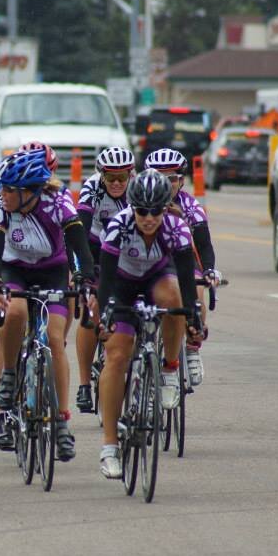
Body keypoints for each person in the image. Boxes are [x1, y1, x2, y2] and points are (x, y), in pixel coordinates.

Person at [0, 150, 96, 461]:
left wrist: (86, 278)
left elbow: (80, 247)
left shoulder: (59, 204)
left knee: (55, 338)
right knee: (16, 312)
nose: (2, 193)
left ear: (30, 191)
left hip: (52, 271)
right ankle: (9, 373)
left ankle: (61, 422)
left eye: (9, 189)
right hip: (13, 270)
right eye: (2, 187)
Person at [95, 170, 197, 479]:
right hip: (121, 283)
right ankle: (110, 446)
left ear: (165, 208)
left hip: (157, 277)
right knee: (116, 356)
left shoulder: (176, 229)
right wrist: (105, 315)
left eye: (155, 211)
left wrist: (192, 317)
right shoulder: (118, 227)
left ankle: (168, 368)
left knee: (174, 297)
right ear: (132, 207)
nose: (149, 218)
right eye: (142, 210)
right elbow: (106, 281)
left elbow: (187, 283)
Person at [144, 148, 222, 385]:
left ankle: (192, 346)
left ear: (182, 180)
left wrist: (209, 269)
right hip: (149, 261)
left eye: (172, 179)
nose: (167, 185)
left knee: (197, 292)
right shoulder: (138, 201)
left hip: (182, 259)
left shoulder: (190, 206)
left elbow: (204, 244)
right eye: (160, 178)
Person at [74, 146, 135, 414]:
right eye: (112, 178)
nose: (118, 183)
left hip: (126, 250)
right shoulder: (92, 189)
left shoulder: (138, 189)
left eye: (123, 177)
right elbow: (80, 231)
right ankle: (85, 384)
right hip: (96, 248)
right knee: (92, 310)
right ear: (101, 176)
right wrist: (83, 273)